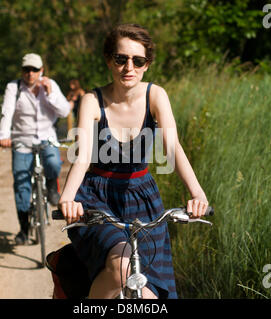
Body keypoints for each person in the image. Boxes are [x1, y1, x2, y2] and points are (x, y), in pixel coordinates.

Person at [58, 24, 209, 299]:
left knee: (150, 295)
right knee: (122, 268)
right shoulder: (92, 100)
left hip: (143, 199)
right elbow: (81, 157)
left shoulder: (155, 95)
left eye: (138, 61)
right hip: (97, 195)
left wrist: (197, 194)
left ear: (146, 65)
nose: (129, 67)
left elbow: (173, 148)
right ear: (108, 60)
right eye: (121, 58)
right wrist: (67, 199)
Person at [0, 53, 70, 245]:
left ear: (41, 71)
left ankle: (52, 185)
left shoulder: (50, 85)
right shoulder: (14, 88)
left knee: (54, 163)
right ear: (22, 71)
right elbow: (7, 112)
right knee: (22, 185)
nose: (30, 73)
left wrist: (50, 93)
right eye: (26, 70)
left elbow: (64, 111)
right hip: (22, 139)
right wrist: (4, 136)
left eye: (35, 70)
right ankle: (24, 230)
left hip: (47, 138)